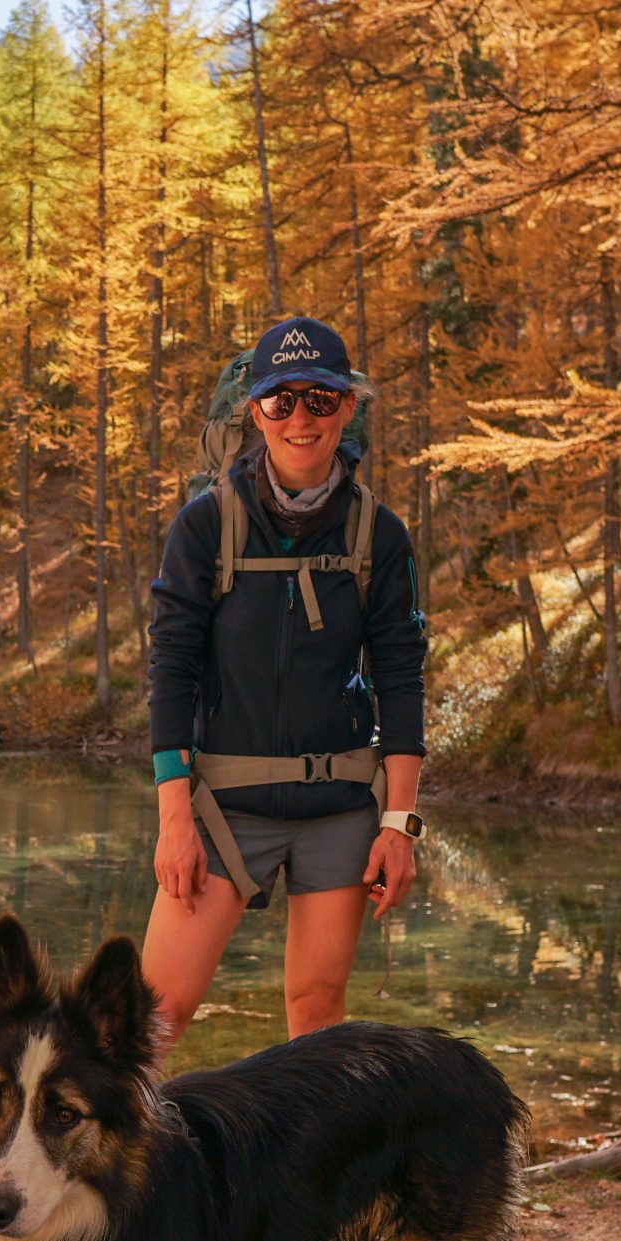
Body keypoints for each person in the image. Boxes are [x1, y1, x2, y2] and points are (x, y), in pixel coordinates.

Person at [141, 314, 428, 1054]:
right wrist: (175, 818)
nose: (301, 419)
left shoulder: (380, 536)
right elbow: (171, 669)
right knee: (150, 1022)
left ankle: (308, 1174)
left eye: (320, 399)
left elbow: (402, 679)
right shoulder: (205, 529)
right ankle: (107, 1173)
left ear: (348, 406)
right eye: (281, 401)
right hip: (223, 806)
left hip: (337, 808)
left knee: (317, 1013)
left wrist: (397, 826)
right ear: (255, 410)